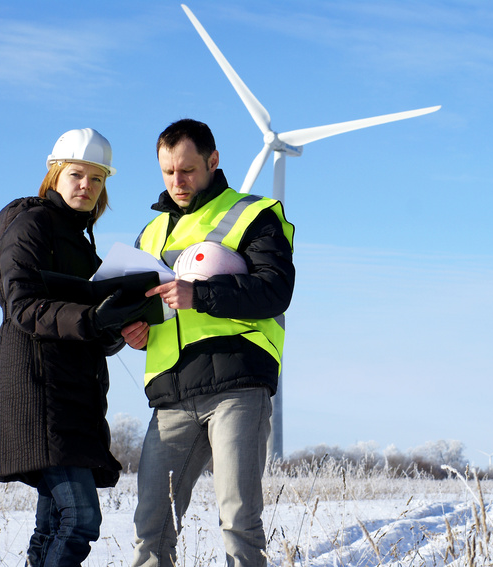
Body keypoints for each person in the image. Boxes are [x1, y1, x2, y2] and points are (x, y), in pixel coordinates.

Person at [122, 118, 295, 567]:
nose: (176, 181)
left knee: (239, 523)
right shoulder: (150, 233)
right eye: (167, 172)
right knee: (151, 529)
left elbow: (275, 291)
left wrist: (199, 295)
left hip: (237, 384)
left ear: (213, 161)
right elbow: (148, 307)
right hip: (172, 395)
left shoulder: (254, 213)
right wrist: (135, 333)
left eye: (187, 170)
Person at [0, 128, 151, 566]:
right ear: (55, 174)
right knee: (79, 520)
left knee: (53, 523)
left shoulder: (83, 246)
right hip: (39, 392)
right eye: (77, 174)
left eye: (97, 179)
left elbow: (89, 328)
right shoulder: (30, 225)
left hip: (76, 396)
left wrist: (118, 327)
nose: (87, 186)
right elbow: (22, 306)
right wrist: (93, 318)